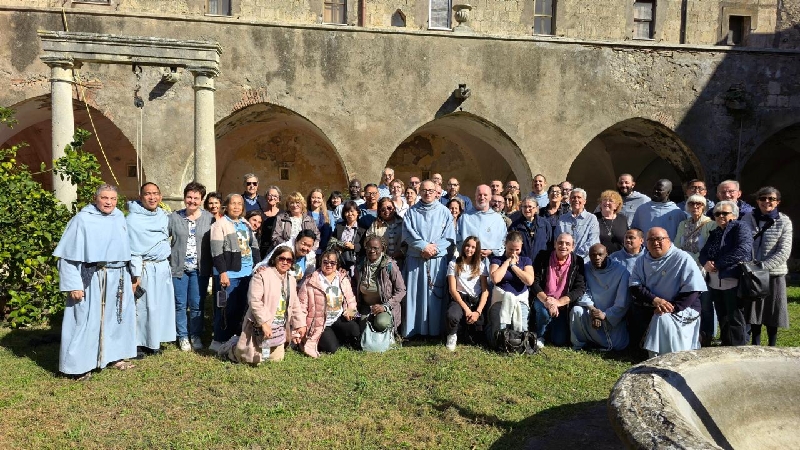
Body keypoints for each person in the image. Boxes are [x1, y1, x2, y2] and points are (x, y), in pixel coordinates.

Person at [54, 184, 137, 379]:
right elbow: (67, 257)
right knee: (84, 321)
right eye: (105, 198)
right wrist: (73, 284)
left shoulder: (119, 219)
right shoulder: (82, 220)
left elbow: (127, 250)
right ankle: (78, 366)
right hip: (92, 276)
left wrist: (133, 275)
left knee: (116, 318)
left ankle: (114, 356)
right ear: (96, 198)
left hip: (117, 276)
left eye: (113, 199)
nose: (109, 202)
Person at [629, 227, 707, 357]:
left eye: (660, 239)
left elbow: (693, 290)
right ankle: (644, 351)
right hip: (654, 304)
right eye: (651, 240)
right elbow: (635, 286)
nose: (655, 243)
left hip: (682, 307)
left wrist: (672, 307)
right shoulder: (642, 261)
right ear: (646, 243)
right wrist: (655, 300)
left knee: (662, 318)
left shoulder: (682, 258)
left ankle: (664, 355)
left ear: (668, 240)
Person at [402, 180, 456, 338]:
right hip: (416, 260)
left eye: (431, 190)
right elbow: (408, 233)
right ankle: (414, 330)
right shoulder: (412, 212)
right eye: (424, 190)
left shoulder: (444, 211)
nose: (427, 193)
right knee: (415, 295)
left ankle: (435, 330)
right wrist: (423, 247)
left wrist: (434, 248)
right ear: (420, 192)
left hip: (436, 261)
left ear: (436, 192)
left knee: (435, 295)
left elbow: (449, 236)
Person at [127, 182, 175, 357]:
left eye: (155, 193)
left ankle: (154, 341)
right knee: (143, 307)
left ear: (160, 197)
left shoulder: (163, 215)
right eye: (148, 194)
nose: (152, 197)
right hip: (145, 268)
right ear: (141, 197)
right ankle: (138, 344)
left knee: (159, 306)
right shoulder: (133, 220)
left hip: (162, 266)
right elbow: (133, 250)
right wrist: (136, 275)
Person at [742, 186, 793, 346]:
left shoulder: (784, 221)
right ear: (757, 201)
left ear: (777, 202)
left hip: (774, 274)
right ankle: (755, 345)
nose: (767, 202)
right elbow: (742, 243)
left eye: (771, 199)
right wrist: (750, 266)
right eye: (763, 198)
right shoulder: (747, 218)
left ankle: (772, 346)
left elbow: (784, 251)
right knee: (754, 313)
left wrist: (762, 267)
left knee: (772, 312)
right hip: (753, 275)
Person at [209, 194, 260, 353]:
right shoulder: (220, 225)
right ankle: (218, 340)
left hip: (246, 273)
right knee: (225, 309)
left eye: (239, 204)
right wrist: (222, 273)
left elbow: (254, 247)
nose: (236, 207)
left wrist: (257, 267)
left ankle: (234, 338)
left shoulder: (245, 223)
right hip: (229, 274)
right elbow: (216, 253)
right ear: (226, 206)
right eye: (233, 204)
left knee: (241, 308)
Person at [230, 246, 298, 364]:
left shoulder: (291, 280)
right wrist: (264, 323)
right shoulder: (261, 275)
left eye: (289, 260)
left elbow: (295, 303)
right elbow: (254, 301)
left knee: (276, 360)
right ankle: (230, 348)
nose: (285, 262)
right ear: (274, 258)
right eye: (282, 258)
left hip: (279, 328)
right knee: (251, 360)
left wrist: (300, 325)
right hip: (260, 327)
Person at [698, 201, 752, 346]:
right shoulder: (716, 231)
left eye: (724, 213)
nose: (720, 216)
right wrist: (705, 262)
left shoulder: (741, 227)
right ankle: (726, 346)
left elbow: (742, 250)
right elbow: (704, 252)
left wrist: (718, 264)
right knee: (722, 315)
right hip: (715, 281)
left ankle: (738, 348)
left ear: (734, 215)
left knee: (735, 317)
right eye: (717, 213)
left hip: (732, 279)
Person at [169, 181, 214, 352]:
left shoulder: (209, 218)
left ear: (201, 199)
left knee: (197, 303)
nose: (192, 201)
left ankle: (195, 334)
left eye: (196, 198)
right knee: (180, 303)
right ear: (184, 198)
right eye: (189, 197)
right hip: (178, 268)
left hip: (199, 269)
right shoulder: (174, 218)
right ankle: (182, 336)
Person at [294, 250, 360, 357]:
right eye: (325, 262)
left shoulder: (343, 278)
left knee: (355, 331)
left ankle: (336, 335)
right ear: (320, 263)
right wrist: (301, 326)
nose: (328, 265)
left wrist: (351, 312)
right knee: (332, 349)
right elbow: (302, 306)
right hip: (321, 323)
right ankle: (322, 339)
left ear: (337, 264)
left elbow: (351, 299)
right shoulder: (311, 280)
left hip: (339, 317)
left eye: (332, 263)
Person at [674, 194, 717, 346]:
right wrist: (683, 259)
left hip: (702, 269)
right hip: (684, 268)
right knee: (689, 301)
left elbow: (709, 247)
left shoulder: (710, 224)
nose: (695, 207)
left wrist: (692, 258)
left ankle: (707, 335)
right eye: (692, 204)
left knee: (705, 303)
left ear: (704, 207)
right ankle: (690, 333)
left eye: (699, 204)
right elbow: (677, 245)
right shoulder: (683, 224)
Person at [570, 244, 631, 351]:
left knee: (617, 345)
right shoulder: (586, 268)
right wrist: (593, 311)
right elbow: (584, 292)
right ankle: (579, 344)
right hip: (592, 312)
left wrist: (604, 315)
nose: (597, 258)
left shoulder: (622, 272)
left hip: (612, 317)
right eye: (593, 255)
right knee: (576, 310)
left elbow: (623, 302)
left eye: (600, 254)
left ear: (607, 254)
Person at [531, 233, 586, 348]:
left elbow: (579, 288)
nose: (563, 246)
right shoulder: (543, 257)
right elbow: (534, 282)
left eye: (567, 244)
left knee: (559, 340)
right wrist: (547, 301)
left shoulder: (578, 262)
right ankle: (540, 335)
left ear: (573, 247)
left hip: (562, 303)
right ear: (555, 244)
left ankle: (550, 327)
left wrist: (559, 302)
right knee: (544, 313)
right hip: (543, 299)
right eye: (560, 243)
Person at [488, 231, 536, 347]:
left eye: (517, 250)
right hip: (500, 299)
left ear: (521, 247)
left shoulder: (526, 261)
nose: (513, 253)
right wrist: (507, 262)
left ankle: (517, 346)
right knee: (500, 330)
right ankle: (500, 345)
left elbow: (529, 281)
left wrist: (514, 267)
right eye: (510, 250)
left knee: (521, 330)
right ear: (505, 245)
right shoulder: (496, 260)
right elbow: (495, 279)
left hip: (520, 300)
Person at [354, 235, 406, 338]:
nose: (372, 250)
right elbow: (354, 284)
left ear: (382, 248)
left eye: (376, 248)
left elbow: (401, 290)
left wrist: (385, 306)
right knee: (360, 326)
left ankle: (389, 333)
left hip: (384, 306)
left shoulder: (389, 265)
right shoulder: (360, 265)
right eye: (369, 247)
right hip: (366, 307)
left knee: (382, 323)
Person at [445, 236, 490, 351]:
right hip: (459, 298)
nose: (469, 249)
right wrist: (467, 310)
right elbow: (452, 290)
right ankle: (452, 335)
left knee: (477, 337)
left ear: (477, 249)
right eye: (467, 245)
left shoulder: (481, 266)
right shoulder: (453, 264)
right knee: (452, 315)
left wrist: (478, 312)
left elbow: (485, 291)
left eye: (473, 247)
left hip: (476, 300)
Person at [457, 185, 507, 258]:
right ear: (475, 196)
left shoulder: (498, 219)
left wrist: (492, 251)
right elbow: (457, 239)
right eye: (479, 195)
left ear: (490, 197)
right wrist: (470, 251)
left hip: (490, 261)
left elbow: (504, 240)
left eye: (485, 195)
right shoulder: (465, 217)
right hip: (469, 260)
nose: (482, 197)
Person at [556, 188, 600, 260]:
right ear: (570, 200)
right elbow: (557, 239)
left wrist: (575, 257)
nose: (576, 200)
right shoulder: (562, 219)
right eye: (573, 197)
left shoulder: (591, 219)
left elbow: (593, 241)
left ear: (584, 201)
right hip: (565, 261)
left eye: (579, 197)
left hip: (585, 261)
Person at [509, 197, 553, 262]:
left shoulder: (544, 224)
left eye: (530, 207)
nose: (527, 209)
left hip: (541, 263)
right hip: (522, 263)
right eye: (524, 207)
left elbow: (550, 243)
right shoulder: (515, 226)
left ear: (536, 209)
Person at [330, 201, 367, 278]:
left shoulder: (362, 229)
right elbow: (332, 240)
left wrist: (353, 246)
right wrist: (338, 245)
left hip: (355, 262)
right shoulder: (339, 226)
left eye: (352, 211)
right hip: (340, 260)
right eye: (347, 212)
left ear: (357, 212)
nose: (350, 214)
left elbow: (365, 245)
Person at [368, 197, 405, 267]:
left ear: (394, 208)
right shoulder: (375, 225)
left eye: (389, 208)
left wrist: (401, 252)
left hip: (402, 261)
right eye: (383, 209)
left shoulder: (402, 223)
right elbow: (368, 241)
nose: (387, 211)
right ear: (379, 211)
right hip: (381, 262)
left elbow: (408, 242)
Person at [594, 189, 628, 254]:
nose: (607, 203)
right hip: (599, 258)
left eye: (611, 201)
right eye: (604, 200)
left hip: (619, 258)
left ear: (617, 205)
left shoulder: (622, 219)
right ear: (600, 204)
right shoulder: (593, 218)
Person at [307, 188, 332, 254]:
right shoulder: (304, 214)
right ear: (310, 199)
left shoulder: (329, 215)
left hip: (323, 251)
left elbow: (331, 234)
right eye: (313, 197)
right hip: (308, 249)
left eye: (318, 198)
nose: (316, 200)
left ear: (322, 200)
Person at [259, 185, 282, 256]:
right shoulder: (259, 213)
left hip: (277, 249)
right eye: (270, 195)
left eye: (275, 196)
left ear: (278, 199)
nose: (272, 198)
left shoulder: (283, 214)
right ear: (266, 197)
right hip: (261, 248)